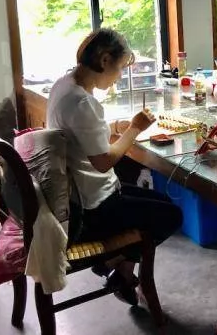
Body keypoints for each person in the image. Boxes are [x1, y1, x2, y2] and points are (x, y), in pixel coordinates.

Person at [46, 28, 182, 305]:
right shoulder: (82, 102)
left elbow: (80, 132)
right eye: (119, 68)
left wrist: (113, 127)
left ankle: (121, 272)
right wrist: (134, 129)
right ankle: (113, 262)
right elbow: (104, 162)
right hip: (90, 211)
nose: (119, 76)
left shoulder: (64, 85)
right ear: (105, 60)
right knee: (171, 216)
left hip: (77, 195)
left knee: (164, 203)